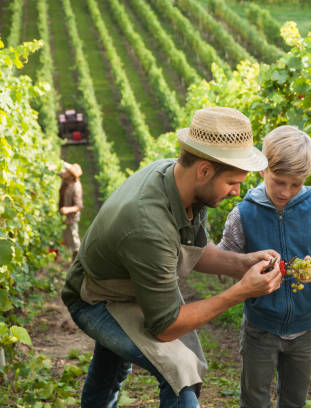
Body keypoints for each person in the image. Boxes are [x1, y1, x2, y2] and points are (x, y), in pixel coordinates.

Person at [61, 107, 283, 408]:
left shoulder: (181, 182)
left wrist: (241, 264)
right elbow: (165, 327)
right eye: (232, 182)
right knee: (177, 371)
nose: (237, 192)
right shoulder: (147, 224)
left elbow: (189, 247)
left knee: (112, 369)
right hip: (95, 298)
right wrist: (241, 292)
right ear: (204, 170)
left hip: (131, 284)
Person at [218, 125, 311, 408]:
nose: (286, 192)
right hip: (260, 328)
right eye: (279, 182)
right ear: (262, 171)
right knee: (254, 400)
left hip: (305, 328)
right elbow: (225, 261)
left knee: (294, 401)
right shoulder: (244, 213)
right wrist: (249, 271)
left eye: (295, 184)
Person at [59, 162, 83, 260]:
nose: (65, 172)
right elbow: (60, 167)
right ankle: (72, 254)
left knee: (74, 238)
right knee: (66, 236)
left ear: (72, 176)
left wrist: (67, 209)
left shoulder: (76, 187)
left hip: (71, 218)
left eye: (68, 172)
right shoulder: (66, 179)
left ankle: (78, 258)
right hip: (65, 216)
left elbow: (79, 206)